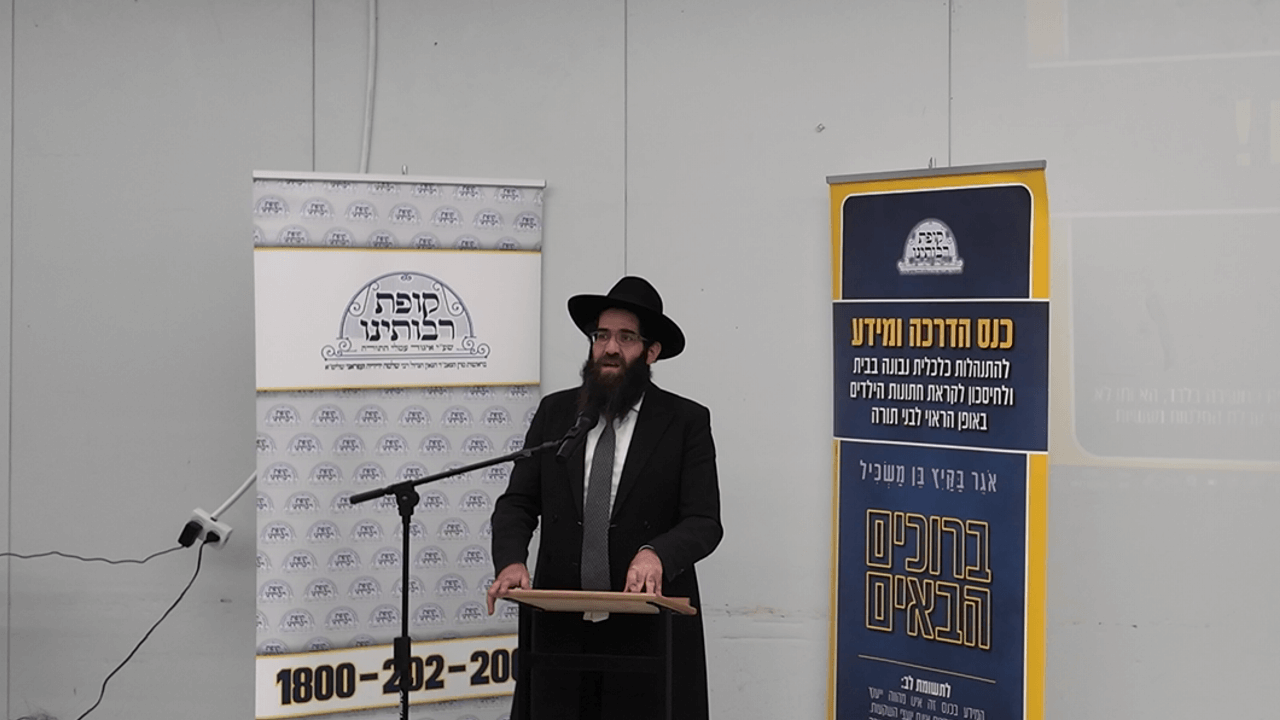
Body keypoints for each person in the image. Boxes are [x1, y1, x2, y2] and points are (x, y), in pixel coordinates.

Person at [487, 276, 723, 720]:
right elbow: (517, 502)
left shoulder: (685, 421)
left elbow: (704, 521)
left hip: (646, 630)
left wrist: (657, 553)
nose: (610, 348)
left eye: (626, 337)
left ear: (651, 352)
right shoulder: (557, 414)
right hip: (559, 628)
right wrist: (511, 560)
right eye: (601, 336)